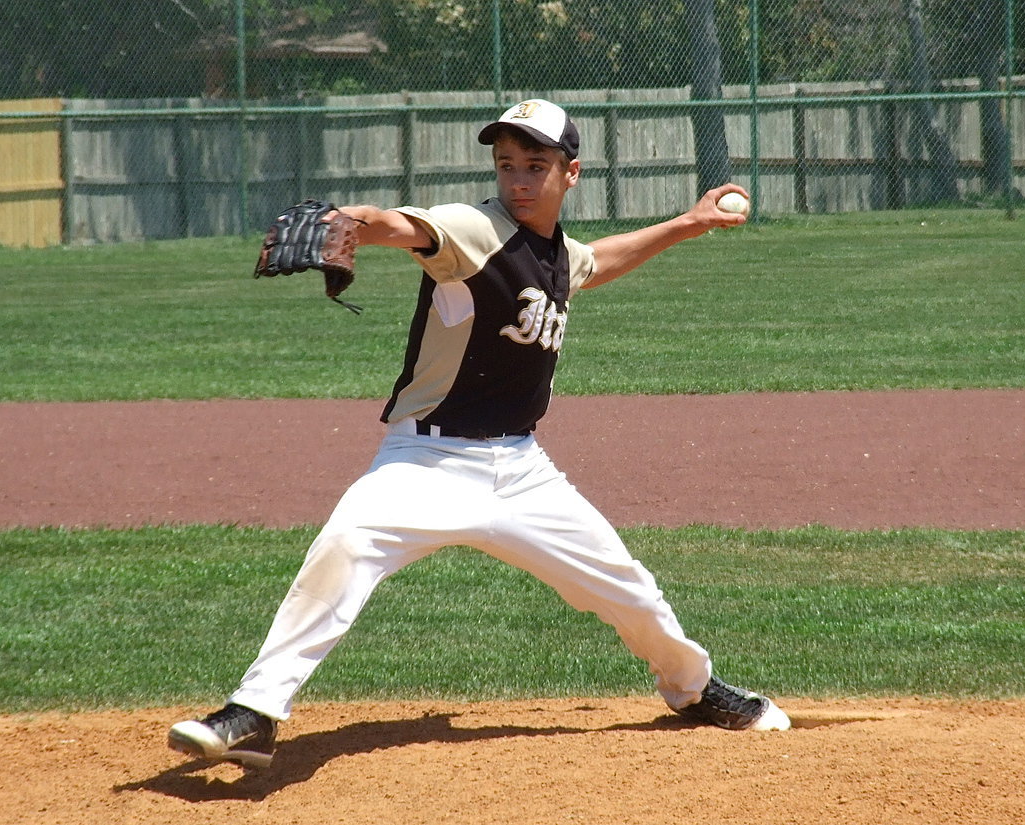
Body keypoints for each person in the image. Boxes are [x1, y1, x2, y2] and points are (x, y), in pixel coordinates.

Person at [168, 98, 789, 770]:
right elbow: (409, 227)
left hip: (522, 471)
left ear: (570, 173)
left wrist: (688, 223)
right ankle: (255, 711)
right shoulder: (475, 229)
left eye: (535, 164)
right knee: (344, 546)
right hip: (425, 459)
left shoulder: (556, 254)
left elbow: (595, 261)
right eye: (505, 164)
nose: (518, 179)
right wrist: (354, 223)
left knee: (627, 588)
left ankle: (692, 688)